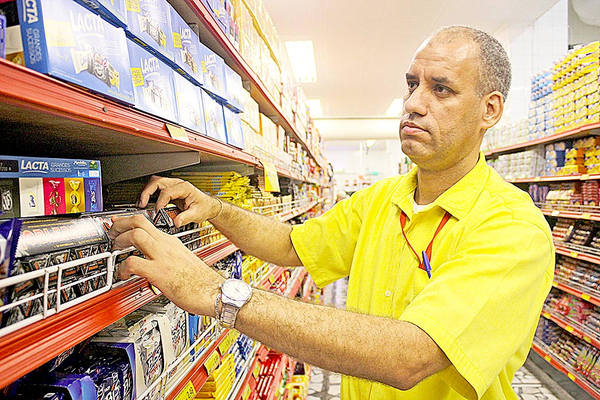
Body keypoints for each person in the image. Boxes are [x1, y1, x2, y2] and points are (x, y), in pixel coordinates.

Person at [108, 26, 554, 399]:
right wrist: (215, 208)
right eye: (412, 84)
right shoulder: (380, 200)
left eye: (441, 89)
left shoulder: (513, 229)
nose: (415, 103)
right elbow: (288, 245)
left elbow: (410, 355)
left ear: (489, 110)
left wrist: (215, 290)